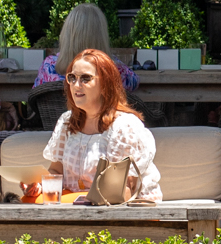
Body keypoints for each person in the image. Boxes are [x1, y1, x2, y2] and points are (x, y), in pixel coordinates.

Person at [44, 48, 162, 204]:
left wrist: (81, 199)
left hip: (125, 211)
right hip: (77, 208)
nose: (76, 85)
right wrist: (40, 186)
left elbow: (125, 191)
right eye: (72, 78)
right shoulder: (67, 122)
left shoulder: (124, 126)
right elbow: (55, 171)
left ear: (105, 84)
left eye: (85, 78)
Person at [38, 4, 140, 93]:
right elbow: (135, 81)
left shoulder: (49, 66)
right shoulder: (115, 70)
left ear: (66, 33)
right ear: (101, 36)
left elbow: (35, 97)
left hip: (56, 110)